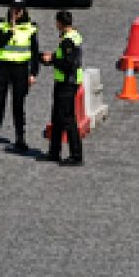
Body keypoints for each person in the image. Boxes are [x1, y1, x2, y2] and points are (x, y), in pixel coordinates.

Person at [0, 0, 40, 151]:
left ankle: (20, 137)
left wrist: (33, 73)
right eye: (13, 9)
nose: (16, 12)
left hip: (20, 69)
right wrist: (11, 28)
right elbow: (0, 42)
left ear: (23, 11)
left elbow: (34, 51)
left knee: (18, 104)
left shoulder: (31, 28)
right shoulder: (2, 24)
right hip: (3, 67)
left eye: (19, 10)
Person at [40, 10, 83, 167]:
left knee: (67, 119)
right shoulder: (74, 36)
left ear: (59, 23)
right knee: (57, 118)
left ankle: (76, 155)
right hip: (67, 82)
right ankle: (54, 152)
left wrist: (52, 59)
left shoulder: (68, 41)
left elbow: (68, 64)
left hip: (67, 83)